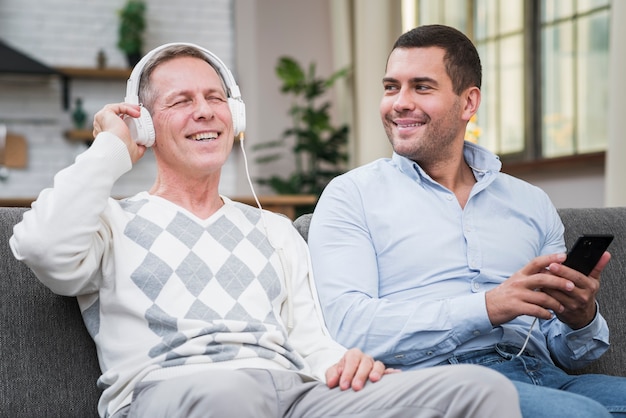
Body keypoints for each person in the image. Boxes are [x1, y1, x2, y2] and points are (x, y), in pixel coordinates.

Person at [9, 42, 522, 418]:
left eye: (214, 97)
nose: (204, 110)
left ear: (235, 116)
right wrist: (110, 147)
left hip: (293, 395)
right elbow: (39, 245)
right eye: (181, 101)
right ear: (145, 124)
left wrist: (349, 366)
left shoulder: (273, 230)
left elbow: (310, 342)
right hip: (175, 392)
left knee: (480, 390)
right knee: (230, 396)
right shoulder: (110, 224)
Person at [308, 24, 626, 418]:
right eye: (392, 87)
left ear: (468, 102)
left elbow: (568, 352)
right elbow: (348, 327)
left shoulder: (530, 203)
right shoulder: (351, 195)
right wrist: (487, 307)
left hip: (544, 374)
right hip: (437, 381)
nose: (399, 103)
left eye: (421, 87)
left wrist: (580, 317)